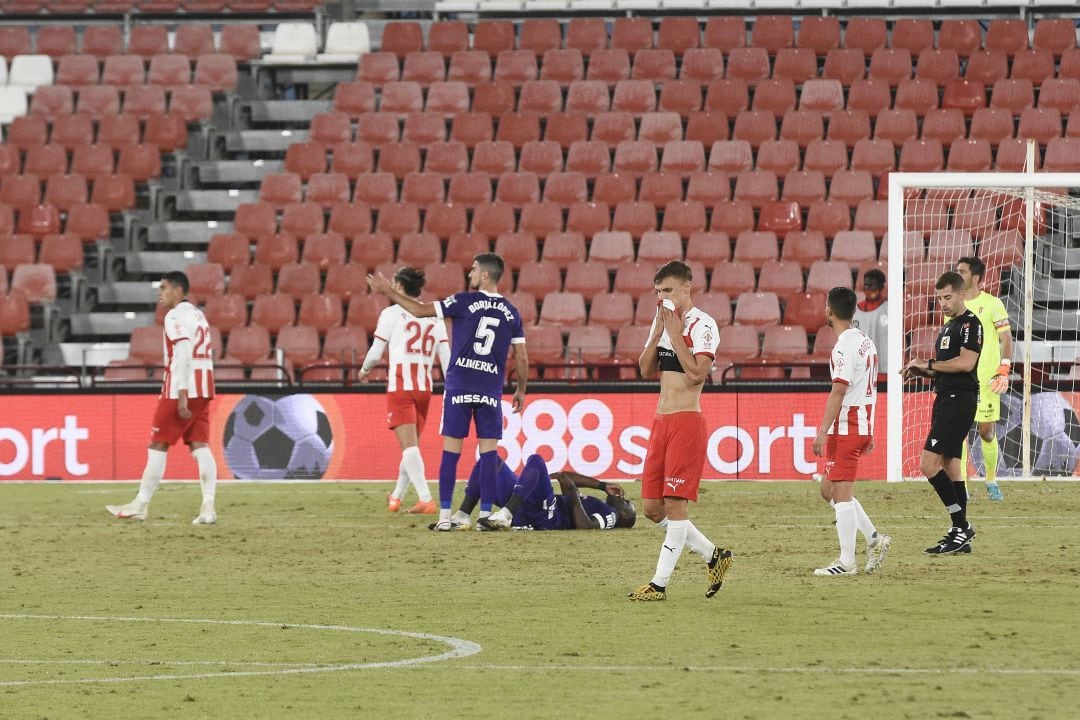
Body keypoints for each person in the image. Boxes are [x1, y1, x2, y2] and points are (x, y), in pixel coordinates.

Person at [368, 253, 528, 531]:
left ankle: (444, 516)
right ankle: (484, 516)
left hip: (460, 387)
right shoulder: (511, 312)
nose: (470, 274)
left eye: (474, 269)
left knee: (451, 452)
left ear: (485, 275)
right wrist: (521, 389)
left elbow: (420, 310)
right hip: (489, 388)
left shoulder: (463, 301)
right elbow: (522, 356)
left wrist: (389, 292)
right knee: (488, 454)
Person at [627, 260, 733, 602]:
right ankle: (714, 555)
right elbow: (645, 369)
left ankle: (658, 585)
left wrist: (674, 334)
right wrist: (658, 331)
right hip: (661, 422)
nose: (663, 297)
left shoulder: (704, 325)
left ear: (687, 288)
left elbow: (698, 373)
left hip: (687, 421)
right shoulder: (661, 321)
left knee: (675, 506)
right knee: (651, 508)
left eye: (669, 290)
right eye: (658, 291)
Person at [106, 271, 218, 524]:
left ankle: (140, 504)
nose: (160, 293)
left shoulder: (174, 316)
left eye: (164, 288)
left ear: (178, 291)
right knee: (199, 444)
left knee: (158, 444)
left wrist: (181, 394)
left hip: (181, 387)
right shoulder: (198, 315)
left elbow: (184, 350)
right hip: (204, 386)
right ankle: (208, 508)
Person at [811, 287, 892, 576]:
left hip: (847, 426)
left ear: (829, 310)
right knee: (828, 490)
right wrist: (868, 430)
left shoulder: (843, 347)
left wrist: (822, 431)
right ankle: (874, 539)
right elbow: (869, 388)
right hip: (860, 423)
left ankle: (847, 562)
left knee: (841, 493)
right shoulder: (865, 342)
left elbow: (839, 390)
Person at [902, 271, 983, 555]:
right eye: (939, 299)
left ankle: (961, 527)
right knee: (950, 465)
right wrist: (921, 371)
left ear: (962, 293)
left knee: (928, 464)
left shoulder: (971, 324)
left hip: (959, 400)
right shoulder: (949, 327)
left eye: (947, 297)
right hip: (946, 397)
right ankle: (961, 533)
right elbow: (945, 370)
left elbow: (966, 364)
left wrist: (928, 363)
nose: (943, 303)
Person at [359, 267, 450, 515]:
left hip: (401, 386)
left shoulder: (391, 314)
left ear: (399, 287)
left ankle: (426, 499)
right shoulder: (435, 317)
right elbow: (446, 358)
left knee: (409, 447)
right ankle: (396, 496)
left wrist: (364, 370)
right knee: (412, 447)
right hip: (424, 389)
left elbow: (376, 353)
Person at [443, 453, 636, 531]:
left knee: (536, 460)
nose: (623, 498)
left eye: (627, 503)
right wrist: (602, 485)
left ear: (625, 514)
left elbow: (586, 527)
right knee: (490, 459)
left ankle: (506, 514)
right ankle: (463, 516)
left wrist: (573, 492)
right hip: (532, 508)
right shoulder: (597, 503)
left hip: (548, 516)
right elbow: (564, 477)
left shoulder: (611, 515)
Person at [955, 257, 1013, 502]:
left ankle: (990, 479)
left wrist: (1004, 368)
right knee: (959, 432)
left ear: (976, 277)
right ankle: (961, 485)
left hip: (987, 381)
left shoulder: (992, 304)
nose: (957, 274)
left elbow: (1006, 339)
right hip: (960, 379)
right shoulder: (954, 305)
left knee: (987, 432)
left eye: (962, 271)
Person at [852, 268, 889, 376]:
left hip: (883, 367)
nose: (868, 289)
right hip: (862, 370)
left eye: (872, 286)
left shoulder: (888, 309)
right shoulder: (856, 310)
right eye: (866, 285)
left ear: (881, 287)